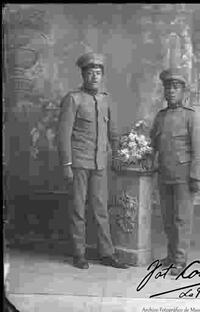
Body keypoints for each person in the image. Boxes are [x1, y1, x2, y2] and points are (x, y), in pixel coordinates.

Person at [58, 52, 128, 269]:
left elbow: (113, 133)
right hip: (79, 163)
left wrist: (116, 156)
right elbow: (63, 134)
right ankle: (79, 254)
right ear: (83, 75)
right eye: (90, 73)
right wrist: (66, 165)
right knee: (78, 208)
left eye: (98, 73)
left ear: (102, 76)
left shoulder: (105, 100)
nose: (94, 77)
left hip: (99, 163)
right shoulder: (73, 99)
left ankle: (107, 254)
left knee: (101, 209)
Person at [150, 68, 200, 276]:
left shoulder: (192, 116)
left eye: (176, 87)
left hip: (184, 177)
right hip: (164, 174)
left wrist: (195, 176)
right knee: (167, 218)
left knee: (182, 219)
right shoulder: (160, 116)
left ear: (183, 91)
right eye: (168, 87)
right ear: (164, 91)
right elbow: (152, 144)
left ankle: (180, 260)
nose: (171, 91)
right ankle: (171, 255)